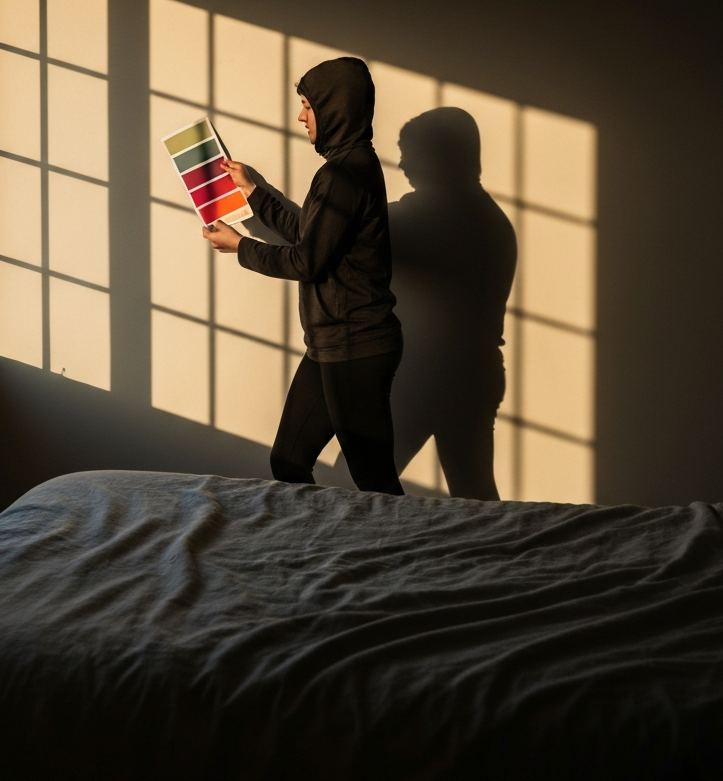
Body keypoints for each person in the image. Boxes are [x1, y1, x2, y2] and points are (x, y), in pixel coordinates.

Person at [202, 57, 404, 495]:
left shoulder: (342, 175)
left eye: (307, 105)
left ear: (335, 108)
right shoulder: (352, 166)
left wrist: (241, 247)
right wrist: (255, 192)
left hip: (356, 345)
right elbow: (312, 238)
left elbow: (304, 261)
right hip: (334, 344)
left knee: (376, 484)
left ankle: (408, 559)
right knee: (289, 460)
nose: (300, 116)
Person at [387, 107, 517, 500]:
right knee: (475, 494)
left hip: (427, 375)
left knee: (354, 484)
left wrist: (257, 199)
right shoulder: (491, 219)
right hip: (474, 375)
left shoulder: (423, 216)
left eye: (410, 152)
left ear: (440, 157)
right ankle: (505, 557)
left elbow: (326, 230)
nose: (402, 162)